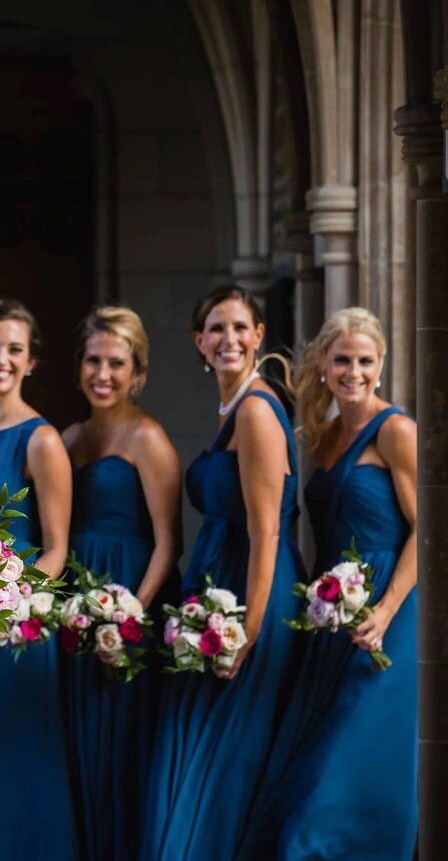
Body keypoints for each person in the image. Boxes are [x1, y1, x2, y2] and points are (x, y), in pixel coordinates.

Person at [239, 308, 417, 859]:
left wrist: (385, 610)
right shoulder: (321, 438)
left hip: (390, 615)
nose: (354, 371)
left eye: (365, 361)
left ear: (381, 365)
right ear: (323, 364)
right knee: (310, 756)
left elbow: (430, 531)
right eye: (342, 359)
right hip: (333, 612)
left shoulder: (396, 431)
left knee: (349, 762)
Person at [140, 285, 303, 860]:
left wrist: (249, 631)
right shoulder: (233, 409)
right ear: (198, 342)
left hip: (249, 595)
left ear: (259, 336)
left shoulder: (257, 410)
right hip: (217, 588)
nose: (228, 339)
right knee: (197, 745)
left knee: (224, 752)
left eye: (240, 328)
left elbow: (268, 532)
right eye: (216, 329)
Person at [0, 299, 76, 860]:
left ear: (31, 362)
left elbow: (56, 550)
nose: (2, 359)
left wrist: (7, 604)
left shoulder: (42, 440)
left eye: (15, 350)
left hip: (12, 625)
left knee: (15, 754)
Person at [59, 306, 180, 860]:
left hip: (130, 600)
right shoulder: (69, 437)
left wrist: (131, 612)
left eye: (115, 363)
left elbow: (167, 542)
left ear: (137, 371)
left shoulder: (148, 437)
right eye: (92, 360)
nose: (102, 374)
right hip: (76, 605)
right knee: (79, 740)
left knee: (124, 744)